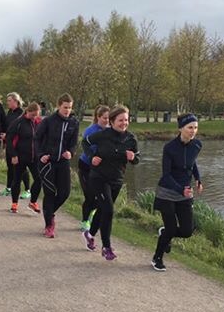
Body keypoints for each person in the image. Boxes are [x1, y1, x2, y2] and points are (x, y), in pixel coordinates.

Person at [81, 106, 140, 260]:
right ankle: (106, 247)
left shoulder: (131, 139)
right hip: (99, 177)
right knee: (108, 210)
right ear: (112, 121)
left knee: (103, 210)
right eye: (120, 120)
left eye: (126, 120)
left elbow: (137, 159)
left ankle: (90, 234)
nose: (124, 123)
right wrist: (92, 156)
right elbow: (85, 142)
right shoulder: (102, 135)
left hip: (117, 179)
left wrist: (133, 158)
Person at [151, 113, 203, 271]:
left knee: (187, 231)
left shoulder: (197, 145)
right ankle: (157, 258)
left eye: (195, 127)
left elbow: (192, 163)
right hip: (167, 192)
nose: (193, 131)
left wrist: (198, 179)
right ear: (181, 128)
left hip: (185, 193)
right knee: (171, 228)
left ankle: (164, 233)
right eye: (190, 127)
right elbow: (166, 175)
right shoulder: (169, 148)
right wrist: (181, 189)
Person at [35, 93, 79, 238]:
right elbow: (37, 139)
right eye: (65, 107)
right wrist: (41, 155)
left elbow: (73, 143)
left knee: (65, 192)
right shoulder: (48, 121)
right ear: (58, 106)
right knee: (49, 193)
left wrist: (71, 152)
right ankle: (49, 225)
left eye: (70, 108)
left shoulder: (74, 122)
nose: (67, 110)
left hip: (63, 162)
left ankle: (49, 213)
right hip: (47, 162)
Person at [5, 101, 42, 214]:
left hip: (34, 157)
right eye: (32, 115)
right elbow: (9, 139)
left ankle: (33, 202)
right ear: (27, 112)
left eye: (36, 115)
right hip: (20, 156)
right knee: (17, 180)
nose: (34, 117)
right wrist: (13, 155)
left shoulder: (38, 123)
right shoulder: (18, 123)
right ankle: (14, 203)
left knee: (39, 179)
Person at [77, 105, 110, 231]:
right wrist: (93, 156)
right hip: (86, 166)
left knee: (102, 197)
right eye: (104, 118)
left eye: (109, 118)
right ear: (98, 117)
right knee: (90, 196)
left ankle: (92, 213)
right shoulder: (91, 131)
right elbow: (87, 147)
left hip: (101, 169)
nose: (107, 121)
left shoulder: (110, 131)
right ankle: (85, 221)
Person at [0, 92, 31, 198]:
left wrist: (8, 135)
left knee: (22, 168)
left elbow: (21, 130)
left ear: (16, 101)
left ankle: (27, 190)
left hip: (19, 146)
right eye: (7, 101)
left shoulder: (22, 113)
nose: (7, 103)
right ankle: (8, 188)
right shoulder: (9, 112)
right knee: (10, 167)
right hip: (10, 145)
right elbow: (7, 127)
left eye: (9, 101)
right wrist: (4, 136)